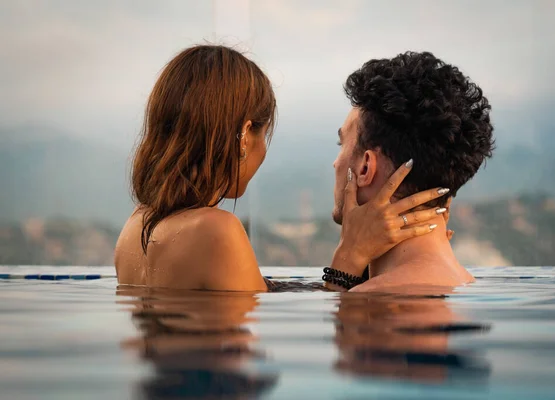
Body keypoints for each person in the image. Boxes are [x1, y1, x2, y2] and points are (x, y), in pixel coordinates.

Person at [114, 45, 448, 291]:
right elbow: (331, 328)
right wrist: (350, 255)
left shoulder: (135, 226)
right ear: (245, 136)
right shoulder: (216, 231)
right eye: (263, 134)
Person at [332, 51, 495, 291]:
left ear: (366, 167)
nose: (335, 163)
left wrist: (343, 266)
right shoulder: (463, 281)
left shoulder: (373, 301)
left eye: (341, 145)